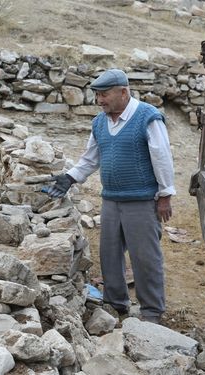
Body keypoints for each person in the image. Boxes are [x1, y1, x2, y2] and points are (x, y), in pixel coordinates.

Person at [48, 69, 175, 323]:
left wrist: (165, 195)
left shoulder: (147, 117)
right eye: (97, 95)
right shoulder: (99, 122)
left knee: (145, 257)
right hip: (111, 199)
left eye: (104, 95)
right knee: (109, 253)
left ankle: (151, 311)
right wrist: (70, 177)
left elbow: (162, 157)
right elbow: (90, 158)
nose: (99, 101)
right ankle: (117, 303)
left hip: (141, 200)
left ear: (123, 92)